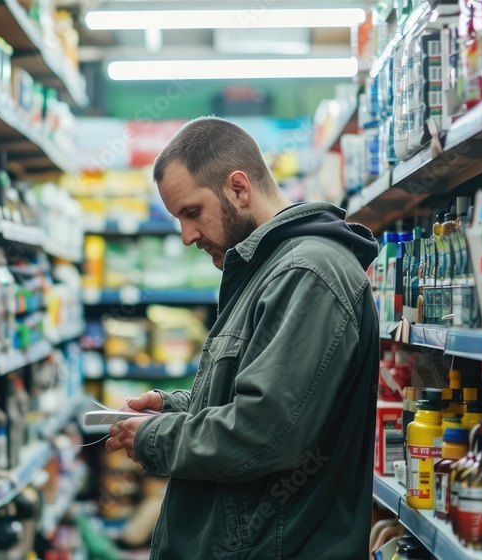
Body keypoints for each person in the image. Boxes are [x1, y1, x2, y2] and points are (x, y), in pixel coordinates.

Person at [105, 116, 380, 559]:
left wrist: (156, 439)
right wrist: (175, 406)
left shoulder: (304, 273)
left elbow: (265, 432)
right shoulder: (267, 271)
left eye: (192, 212)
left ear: (238, 187)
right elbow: (261, 398)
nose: (187, 236)